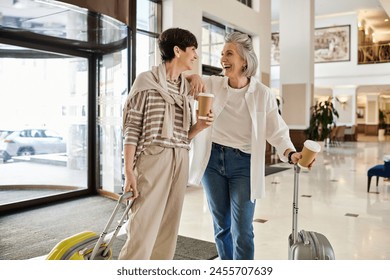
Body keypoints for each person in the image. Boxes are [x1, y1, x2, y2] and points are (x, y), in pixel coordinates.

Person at [188, 31, 314, 260]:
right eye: (222, 53)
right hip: (212, 161)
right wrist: (193, 76)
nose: (222, 59)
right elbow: (180, 81)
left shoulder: (262, 94)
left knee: (243, 230)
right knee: (221, 226)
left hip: (243, 165)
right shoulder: (212, 84)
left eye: (229, 53)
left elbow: (276, 129)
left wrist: (290, 153)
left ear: (245, 60)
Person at [118, 28, 212, 260]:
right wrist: (128, 170)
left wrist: (198, 128)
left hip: (180, 157)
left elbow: (182, 136)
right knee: (143, 223)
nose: (195, 56)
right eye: (192, 50)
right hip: (152, 156)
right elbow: (132, 129)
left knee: (169, 225)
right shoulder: (146, 81)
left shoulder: (185, 88)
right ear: (177, 50)